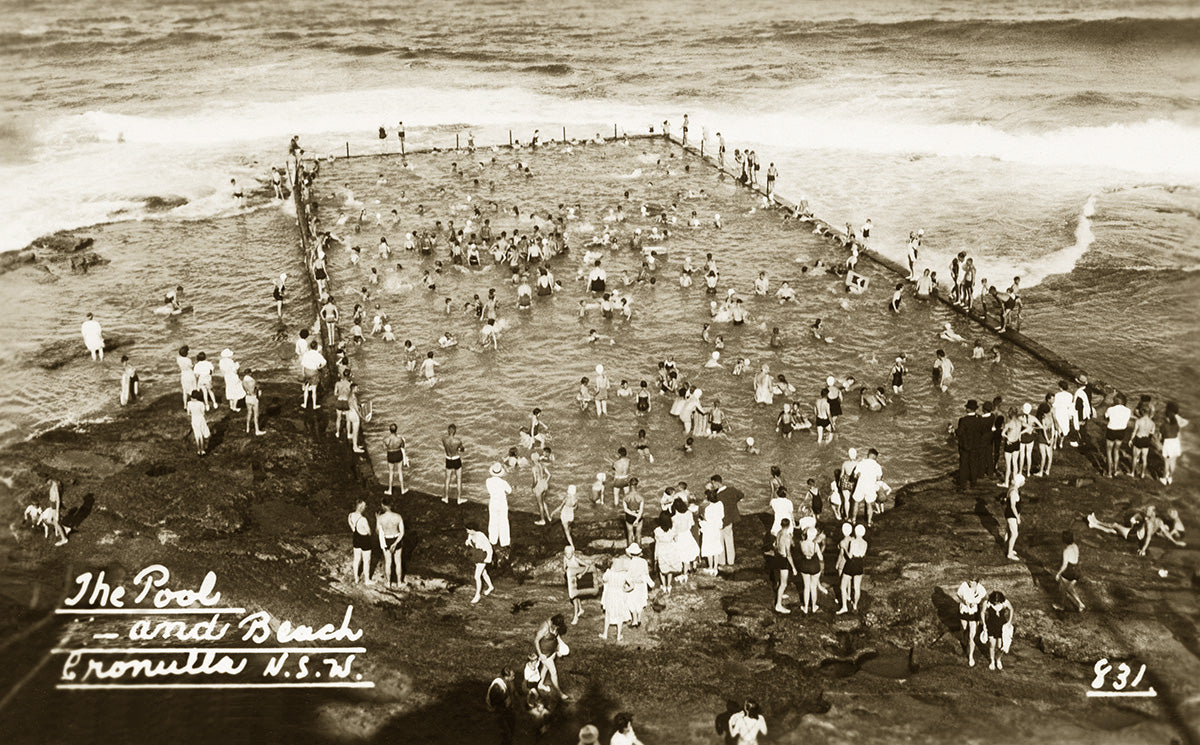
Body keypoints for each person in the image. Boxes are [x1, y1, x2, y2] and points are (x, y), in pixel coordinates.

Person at [1087, 505, 1186, 555]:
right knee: (1114, 531)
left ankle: (1096, 521)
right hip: (1134, 532)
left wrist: (1143, 549)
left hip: (1132, 535)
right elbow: (1166, 533)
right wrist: (1175, 542)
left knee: (1115, 525)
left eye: (1149, 510)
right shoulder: (1159, 521)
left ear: (1153, 513)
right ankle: (1094, 525)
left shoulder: (1149, 522)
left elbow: (1148, 537)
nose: (1147, 511)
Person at [533, 614, 570, 699]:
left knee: (545, 668)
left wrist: (558, 649)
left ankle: (540, 684)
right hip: (544, 653)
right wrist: (540, 654)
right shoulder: (544, 628)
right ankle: (559, 693)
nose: (557, 629)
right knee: (553, 672)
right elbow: (536, 641)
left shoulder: (555, 624)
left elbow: (557, 637)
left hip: (552, 651)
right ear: (553, 623)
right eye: (556, 626)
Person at [712, 474, 742, 566]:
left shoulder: (717, 495)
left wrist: (711, 490)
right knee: (729, 539)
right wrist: (734, 502)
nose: (713, 485)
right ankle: (731, 561)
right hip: (730, 518)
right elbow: (741, 495)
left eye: (713, 484)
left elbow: (712, 502)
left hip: (720, 520)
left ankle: (722, 561)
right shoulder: (732, 490)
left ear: (716, 483)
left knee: (720, 541)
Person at [956, 578, 987, 667]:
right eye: (969, 580)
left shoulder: (980, 588)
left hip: (974, 612)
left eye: (972, 581)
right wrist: (964, 601)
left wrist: (977, 603)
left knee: (972, 635)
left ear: (977, 582)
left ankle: (971, 656)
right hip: (964, 611)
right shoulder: (964, 586)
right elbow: (958, 595)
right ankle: (965, 642)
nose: (970, 582)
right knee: (964, 630)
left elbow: (985, 598)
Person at [837, 524, 868, 614]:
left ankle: (844, 607)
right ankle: (855, 606)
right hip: (860, 563)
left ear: (855, 532)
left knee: (843, 586)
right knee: (857, 587)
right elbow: (863, 555)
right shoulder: (865, 543)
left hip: (851, 563)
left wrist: (844, 548)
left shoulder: (853, 542)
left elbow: (850, 556)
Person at [563, 544, 598, 624]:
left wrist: (581, 574)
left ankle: (575, 617)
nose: (568, 555)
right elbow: (564, 568)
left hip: (579, 579)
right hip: (572, 580)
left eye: (569, 553)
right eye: (566, 553)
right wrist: (568, 573)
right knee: (575, 596)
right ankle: (581, 609)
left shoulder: (575, 559)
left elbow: (587, 566)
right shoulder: (565, 558)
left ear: (572, 553)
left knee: (574, 598)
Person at [981, 591, 1014, 671]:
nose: (996, 603)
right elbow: (982, 612)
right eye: (995, 601)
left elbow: (1011, 609)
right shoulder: (987, 603)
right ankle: (992, 661)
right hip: (991, 626)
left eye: (998, 601)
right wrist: (984, 624)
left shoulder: (1005, 602)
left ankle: (998, 659)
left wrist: (1009, 622)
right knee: (992, 645)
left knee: (1000, 646)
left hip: (1001, 627)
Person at [600, 556, 631, 642]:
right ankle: (618, 636)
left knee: (608, 614)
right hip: (620, 594)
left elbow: (604, 579)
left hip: (610, 594)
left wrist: (608, 571)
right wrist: (625, 589)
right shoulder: (624, 574)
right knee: (619, 615)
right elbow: (632, 585)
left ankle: (605, 634)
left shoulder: (609, 572)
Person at [1054, 530, 1085, 612]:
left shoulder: (1066, 551)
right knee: (1070, 588)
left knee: (1062, 589)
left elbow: (1064, 565)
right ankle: (1080, 604)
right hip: (1077, 570)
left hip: (1069, 571)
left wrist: (1058, 574)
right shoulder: (1075, 546)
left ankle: (1061, 606)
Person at [851, 449, 883, 527]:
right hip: (870, 486)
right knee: (869, 504)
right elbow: (879, 478)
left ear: (868, 455)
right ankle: (869, 522)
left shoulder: (861, 463)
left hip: (861, 485)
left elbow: (855, 475)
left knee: (856, 503)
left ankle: (854, 520)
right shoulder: (877, 466)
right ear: (875, 457)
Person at [770, 518, 796, 614]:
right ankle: (778, 605)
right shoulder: (787, 537)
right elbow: (788, 554)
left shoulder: (779, 532)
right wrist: (793, 567)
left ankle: (780, 594)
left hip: (778, 557)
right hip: (784, 559)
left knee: (780, 580)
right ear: (789, 526)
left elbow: (775, 544)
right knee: (783, 583)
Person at [624, 543, 653, 626]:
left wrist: (628, 583)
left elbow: (627, 575)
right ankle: (639, 618)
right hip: (641, 584)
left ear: (630, 554)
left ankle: (635, 620)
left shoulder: (629, 563)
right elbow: (646, 573)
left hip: (633, 584)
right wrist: (649, 582)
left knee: (631, 601)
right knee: (640, 600)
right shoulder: (643, 562)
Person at [1103, 393, 1132, 477]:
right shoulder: (1128, 410)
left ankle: (1109, 473)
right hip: (1121, 431)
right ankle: (1115, 470)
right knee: (1116, 450)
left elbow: (1105, 417)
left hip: (1111, 430)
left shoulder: (1110, 409)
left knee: (1108, 451)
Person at [485, 667, 516, 745]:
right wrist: (507, 705)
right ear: (506, 677)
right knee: (506, 730)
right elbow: (496, 702)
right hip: (496, 707)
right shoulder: (497, 687)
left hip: (503, 704)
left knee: (512, 720)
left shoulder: (507, 682)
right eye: (512, 676)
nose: (514, 677)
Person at [377, 501, 404, 587]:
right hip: (396, 538)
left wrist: (377, 519)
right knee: (398, 562)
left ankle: (388, 582)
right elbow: (402, 532)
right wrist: (395, 543)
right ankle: (399, 582)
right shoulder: (398, 516)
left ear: (383, 505)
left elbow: (377, 532)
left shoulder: (380, 518)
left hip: (386, 539)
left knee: (388, 562)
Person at [465, 524, 494, 603]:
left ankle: (477, 595)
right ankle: (491, 587)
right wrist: (467, 542)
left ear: (473, 529)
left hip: (483, 555)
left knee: (477, 576)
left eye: (468, 529)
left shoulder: (481, 535)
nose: (467, 531)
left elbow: (489, 547)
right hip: (476, 555)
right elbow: (469, 542)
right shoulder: (470, 535)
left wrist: (488, 558)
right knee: (484, 573)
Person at [1160, 401, 1187, 485]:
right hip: (1176, 441)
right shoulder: (1177, 419)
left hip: (1168, 441)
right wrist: (1180, 425)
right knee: (1173, 461)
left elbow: (1161, 433)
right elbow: (1185, 422)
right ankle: (1170, 477)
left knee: (1166, 462)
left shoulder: (1166, 420)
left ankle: (1164, 478)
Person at [486, 463, 512, 549]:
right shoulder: (503, 482)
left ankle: (493, 539)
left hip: (493, 501)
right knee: (503, 521)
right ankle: (504, 541)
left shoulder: (488, 481)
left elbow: (489, 491)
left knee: (493, 520)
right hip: (502, 502)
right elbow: (509, 491)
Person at [348, 498, 372, 584]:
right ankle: (367, 580)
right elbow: (369, 531)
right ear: (361, 507)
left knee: (356, 558)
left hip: (356, 538)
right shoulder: (363, 519)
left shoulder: (350, 515)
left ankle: (356, 578)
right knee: (366, 560)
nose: (365, 507)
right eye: (365, 506)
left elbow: (352, 527)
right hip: (365, 539)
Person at [700, 492, 725, 575]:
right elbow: (722, 515)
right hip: (717, 528)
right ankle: (715, 568)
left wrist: (701, 519)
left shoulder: (708, 508)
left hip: (709, 530)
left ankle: (710, 567)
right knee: (716, 548)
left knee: (709, 548)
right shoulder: (720, 504)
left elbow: (707, 519)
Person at [1130, 405, 1156, 478]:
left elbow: (1134, 431)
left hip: (1139, 438)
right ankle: (1142, 474)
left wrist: (1131, 440)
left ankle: (1132, 473)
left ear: (1142, 412)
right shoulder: (1152, 423)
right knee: (1144, 458)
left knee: (1135, 457)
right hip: (1146, 440)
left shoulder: (1138, 421)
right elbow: (1152, 433)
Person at [442, 424, 465, 504]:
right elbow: (462, 450)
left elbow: (446, 447)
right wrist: (459, 448)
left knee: (447, 479)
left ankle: (446, 498)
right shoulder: (458, 441)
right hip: (456, 459)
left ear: (448, 431)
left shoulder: (444, 439)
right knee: (459, 479)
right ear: (455, 431)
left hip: (448, 459)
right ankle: (459, 499)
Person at [384, 424, 408, 495]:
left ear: (390, 430)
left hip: (390, 455)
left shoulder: (386, 439)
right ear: (396, 430)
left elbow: (384, 448)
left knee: (391, 472)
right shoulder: (400, 439)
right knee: (400, 471)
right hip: (398, 454)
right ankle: (402, 490)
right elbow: (403, 447)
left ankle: (390, 490)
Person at [1003, 474, 1022, 560]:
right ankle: (1009, 553)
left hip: (1009, 514)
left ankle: (1007, 547)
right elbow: (1012, 506)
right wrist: (1017, 517)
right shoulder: (1014, 492)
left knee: (1009, 531)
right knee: (1014, 534)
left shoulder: (1012, 488)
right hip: (1011, 515)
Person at [242, 369, 265, 435]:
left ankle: (247, 428)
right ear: (250, 373)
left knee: (249, 413)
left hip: (247, 397)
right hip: (253, 398)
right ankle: (257, 430)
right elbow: (256, 391)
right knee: (256, 415)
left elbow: (245, 389)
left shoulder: (243, 381)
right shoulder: (253, 381)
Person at [622, 479, 644, 545]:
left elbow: (625, 509)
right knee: (638, 535)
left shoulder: (626, 497)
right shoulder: (640, 497)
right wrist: (637, 519)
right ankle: (639, 551)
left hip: (629, 516)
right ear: (637, 485)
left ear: (629, 484)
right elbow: (641, 510)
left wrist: (633, 514)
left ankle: (630, 551)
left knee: (630, 534)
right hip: (638, 516)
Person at [187, 390, 209, 456]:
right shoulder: (201, 404)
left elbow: (188, 413)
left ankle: (198, 450)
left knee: (197, 435)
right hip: (201, 419)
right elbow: (203, 413)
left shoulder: (189, 403)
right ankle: (203, 450)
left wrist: (192, 414)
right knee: (202, 434)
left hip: (194, 419)